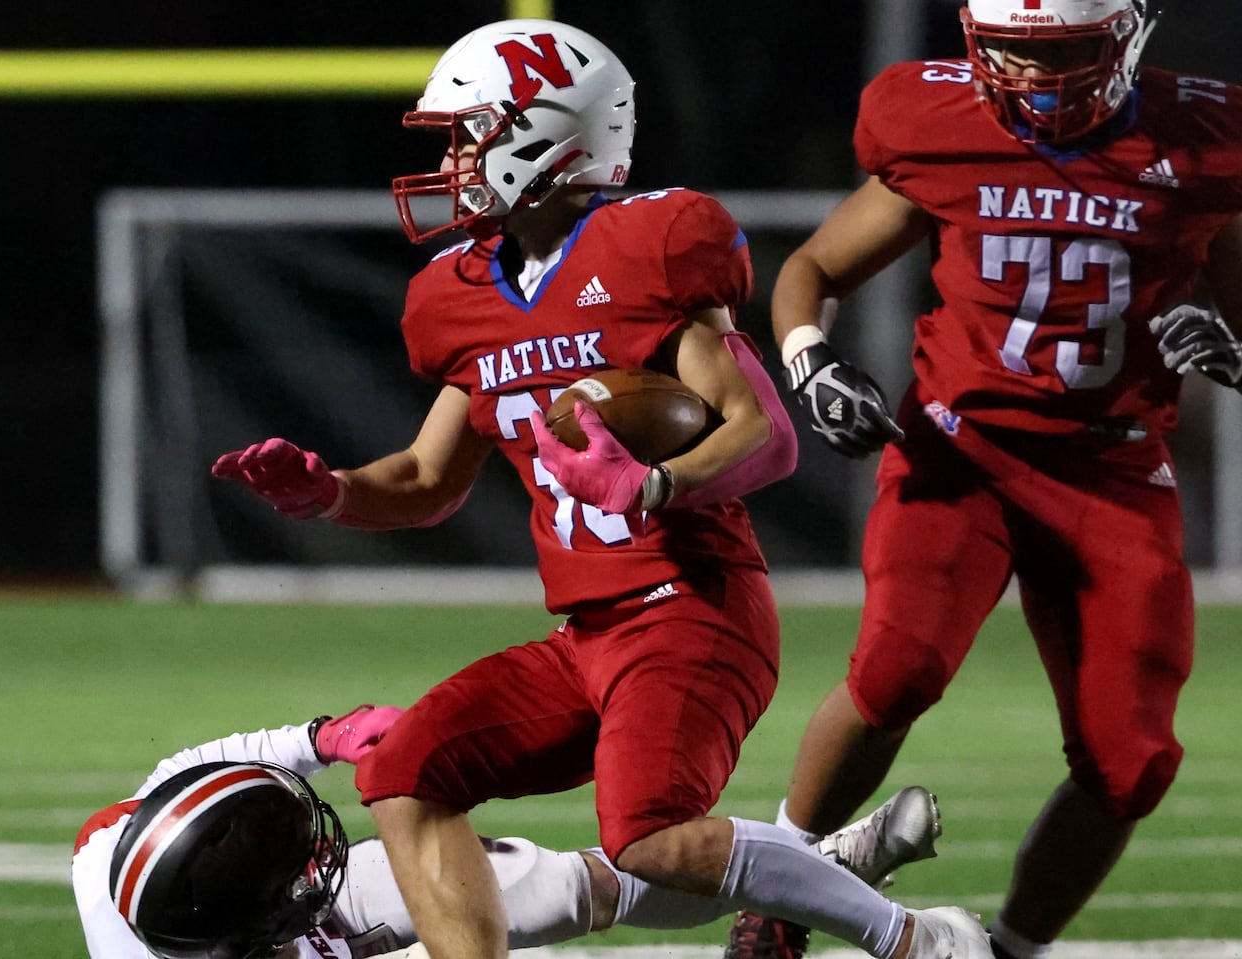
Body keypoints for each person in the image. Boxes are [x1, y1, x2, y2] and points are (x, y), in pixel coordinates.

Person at [212, 17, 991, 959]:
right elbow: (423, 479)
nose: (456, 159)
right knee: (406, 770)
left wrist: (655, 485)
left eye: (473, 133)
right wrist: (328, 491)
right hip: (587, 633)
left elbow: (767, 435)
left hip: (692, 607)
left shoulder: (648, 246)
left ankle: (917, 940)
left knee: (651, 837)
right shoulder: (457, 296)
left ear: (547, 133)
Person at [726, 1, 1242, 958]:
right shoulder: (944, 126)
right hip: (962, 451)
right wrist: (811, 360)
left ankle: (1009, 950)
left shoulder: (1202, 143)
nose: (1031, 75)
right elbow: (814, 268)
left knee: (1133, 762)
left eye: (1064, 53)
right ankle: (778, 887)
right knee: (897, 667)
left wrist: (1236, 350)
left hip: (1114, 467)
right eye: (1009, 49)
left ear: (1129, 36)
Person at [73, 704, 944, 959]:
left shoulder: (114, 844)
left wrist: (316, 739)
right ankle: (802, 884)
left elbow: (181, 770)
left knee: (571, 884)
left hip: (266, 929)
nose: (321, 859)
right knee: (508, 932)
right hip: (291, 945)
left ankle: (804, 874)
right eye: (296, 864)